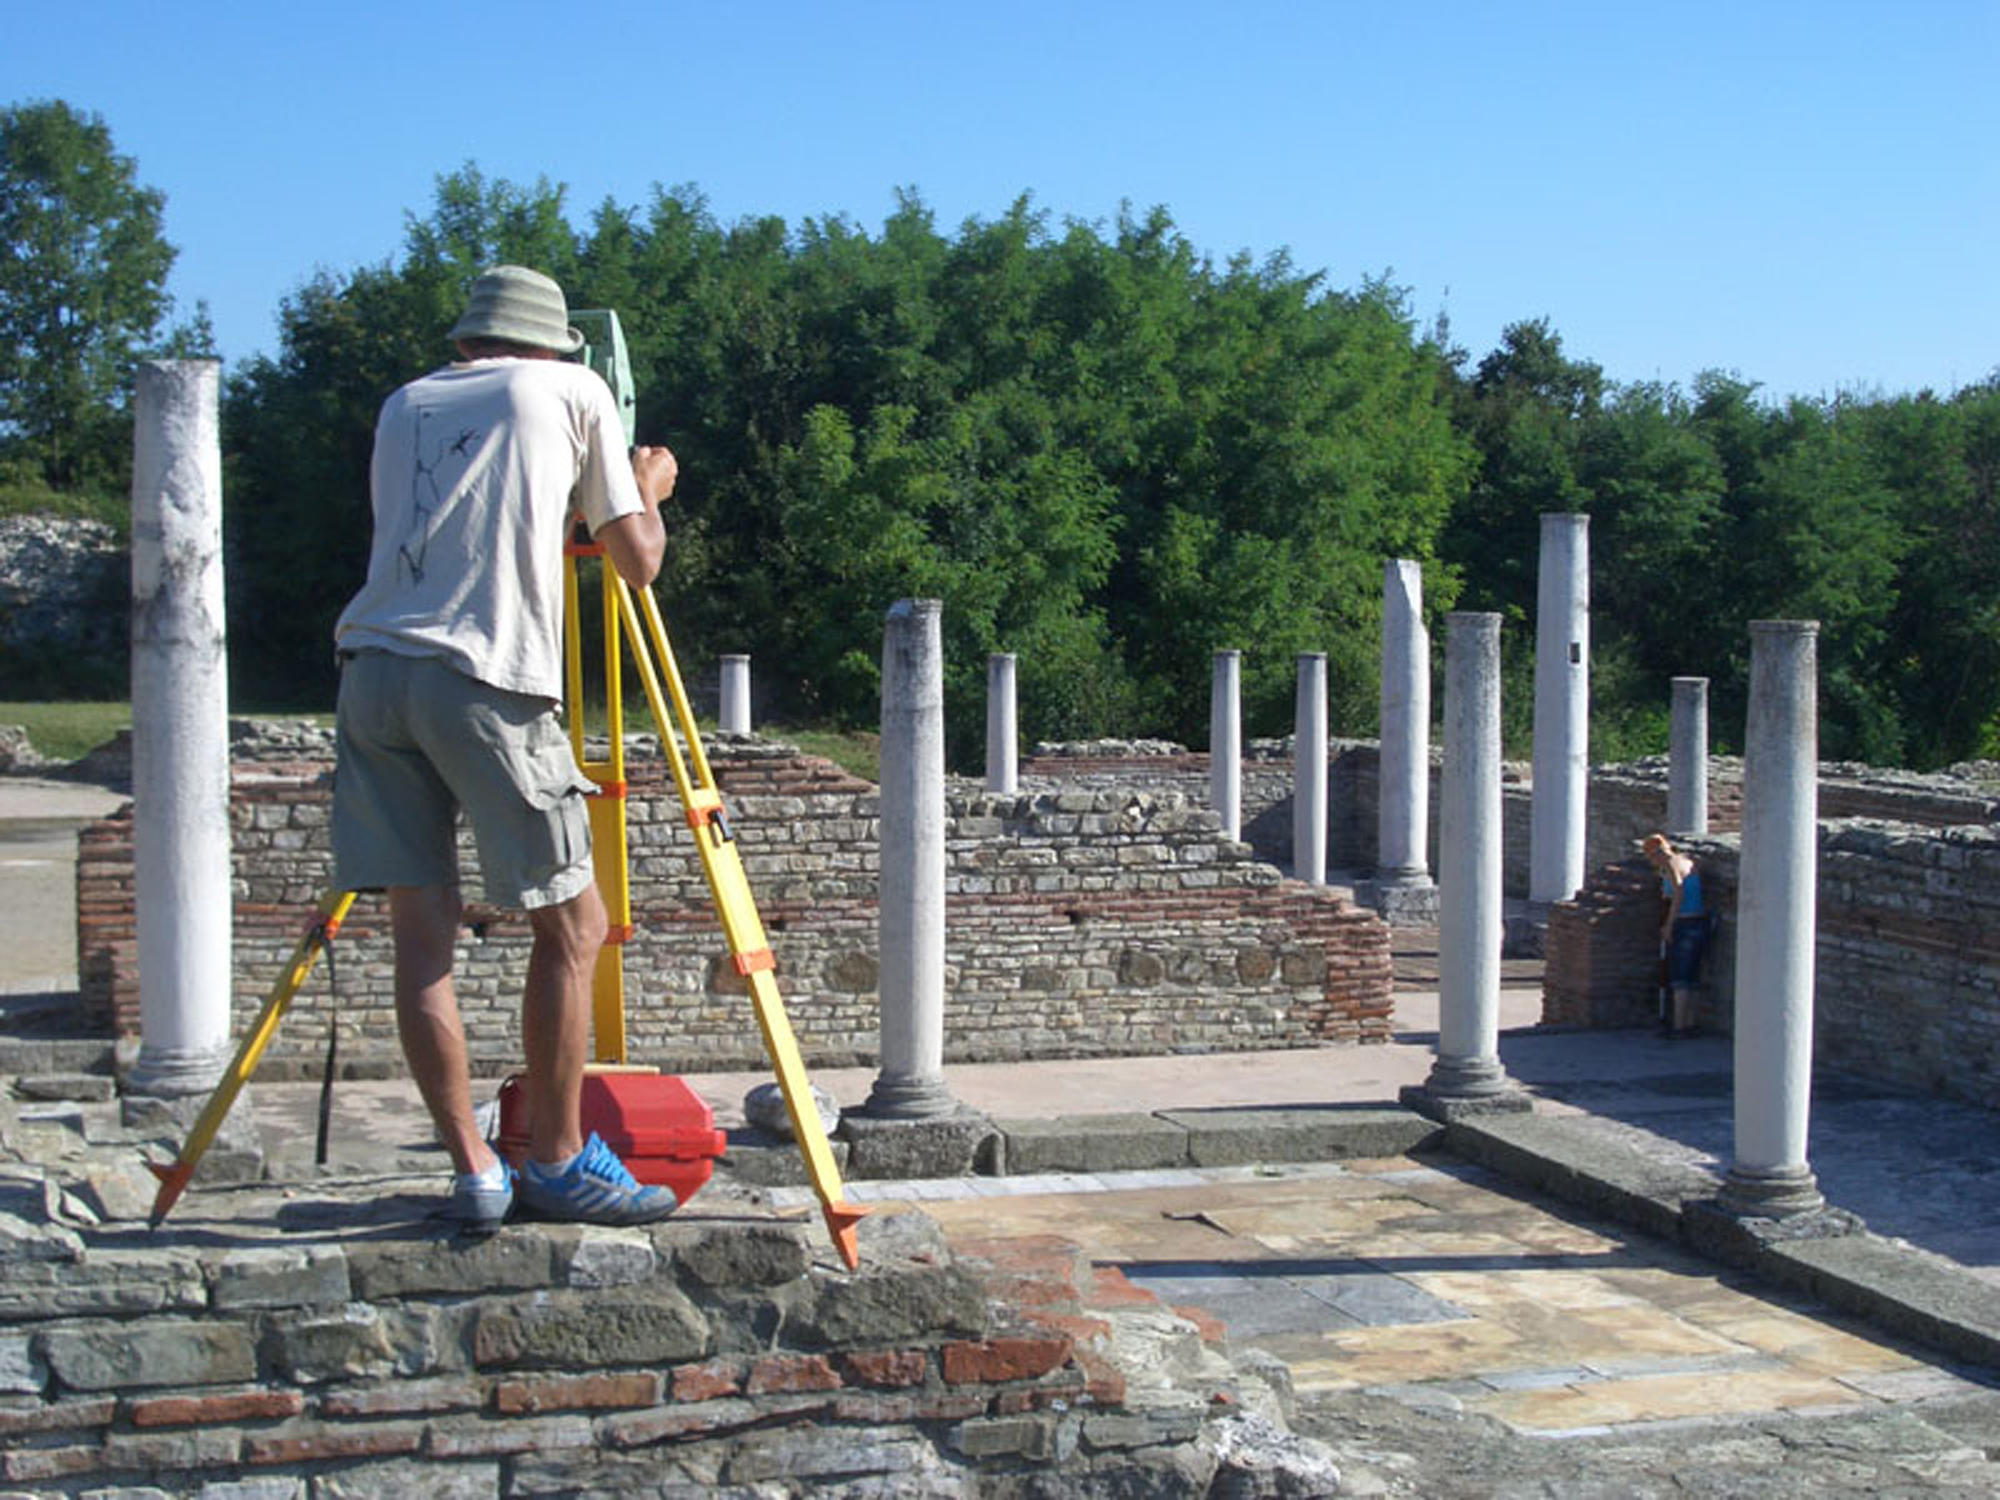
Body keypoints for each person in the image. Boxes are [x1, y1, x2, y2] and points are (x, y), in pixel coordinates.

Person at [330, 265, 679, 1227]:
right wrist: (643, 489)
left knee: (420, 944)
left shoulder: (404, 405)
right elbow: (636, 560)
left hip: (372, 672)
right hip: (486, 678)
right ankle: (560, 1163)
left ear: (470, 339)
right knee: (574, 928)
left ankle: (476, 1169)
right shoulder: (574, 390)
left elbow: (470, 523)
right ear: (557, 345)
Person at [1643, 833, 1711, 1038]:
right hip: (1700, 922)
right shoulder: (1688, 861)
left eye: (1653, 858)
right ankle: (1690, 1023)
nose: (1654, 863)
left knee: (1680, 976)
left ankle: (1679, 1026)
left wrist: (1669, 925)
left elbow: (1678, 892)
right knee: (1691, 975)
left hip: (1684, 921)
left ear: (1658, 853)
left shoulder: (1671, 864)